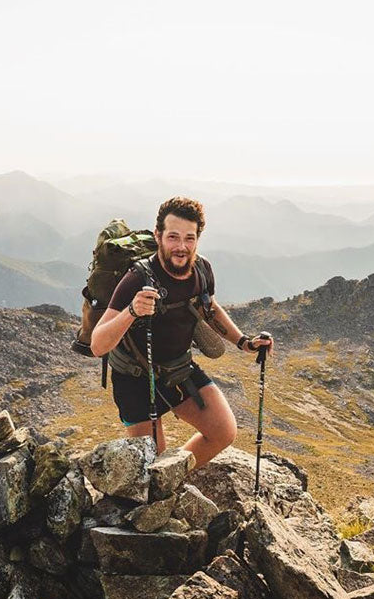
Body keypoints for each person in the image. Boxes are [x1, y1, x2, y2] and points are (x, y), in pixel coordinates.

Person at [90, 196, 273, 469]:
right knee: (152, 470)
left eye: (189, 238)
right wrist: (132, 310)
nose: (181, 247)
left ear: (198, 238)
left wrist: (244, 342)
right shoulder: (137, 278)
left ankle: (175, 478)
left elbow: (209, 308)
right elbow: (97, 345)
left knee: (223, 432)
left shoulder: (201, 270)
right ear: (159, 236)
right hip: (135, 381)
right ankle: (163, 482)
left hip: (179, 370)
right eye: (173, 237)